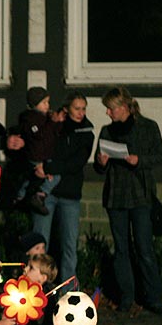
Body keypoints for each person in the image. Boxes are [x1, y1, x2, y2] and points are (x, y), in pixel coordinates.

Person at [94, 86, 162, 314]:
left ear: (123, 107)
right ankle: (127, 297)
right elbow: (98, 167)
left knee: (144, 248)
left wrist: (139, 160)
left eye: (110, 109)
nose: (108, 113)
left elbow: (160, 155)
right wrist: (101, 163)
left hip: (140, 195)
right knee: (121, 249)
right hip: (116, 197)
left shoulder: (147, 127)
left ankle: (154, 299)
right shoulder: (107, 131)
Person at [31, 91, 94, 292]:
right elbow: (43, 148)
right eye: (77, 108)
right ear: (66, 109)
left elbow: (75, 162)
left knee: (69, 246)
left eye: (83, 108)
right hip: (47, 194)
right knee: (40, 243)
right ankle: (35, 289)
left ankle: (69, 292)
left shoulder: (86, 133)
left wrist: (49, 168)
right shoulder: (54, 126)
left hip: (70, 194)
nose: (81, 112)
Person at [16, 87, 65, 215]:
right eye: (44, 103)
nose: (47, 106)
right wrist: (52, 122)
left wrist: (58, 122)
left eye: (48, 102)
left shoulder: (45, 118)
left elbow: (53, 133)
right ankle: (37, 194)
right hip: (36, 154)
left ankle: (26, 195)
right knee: (46, 176)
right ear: (34, 104)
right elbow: (40, 134)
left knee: (39, 177)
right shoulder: (30, 119)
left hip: (45, 155)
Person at [20, 254, 68, 325]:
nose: (25, 269)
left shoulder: (51, 297)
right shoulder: (18, 286)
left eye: (31, 268)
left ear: (42, 278)